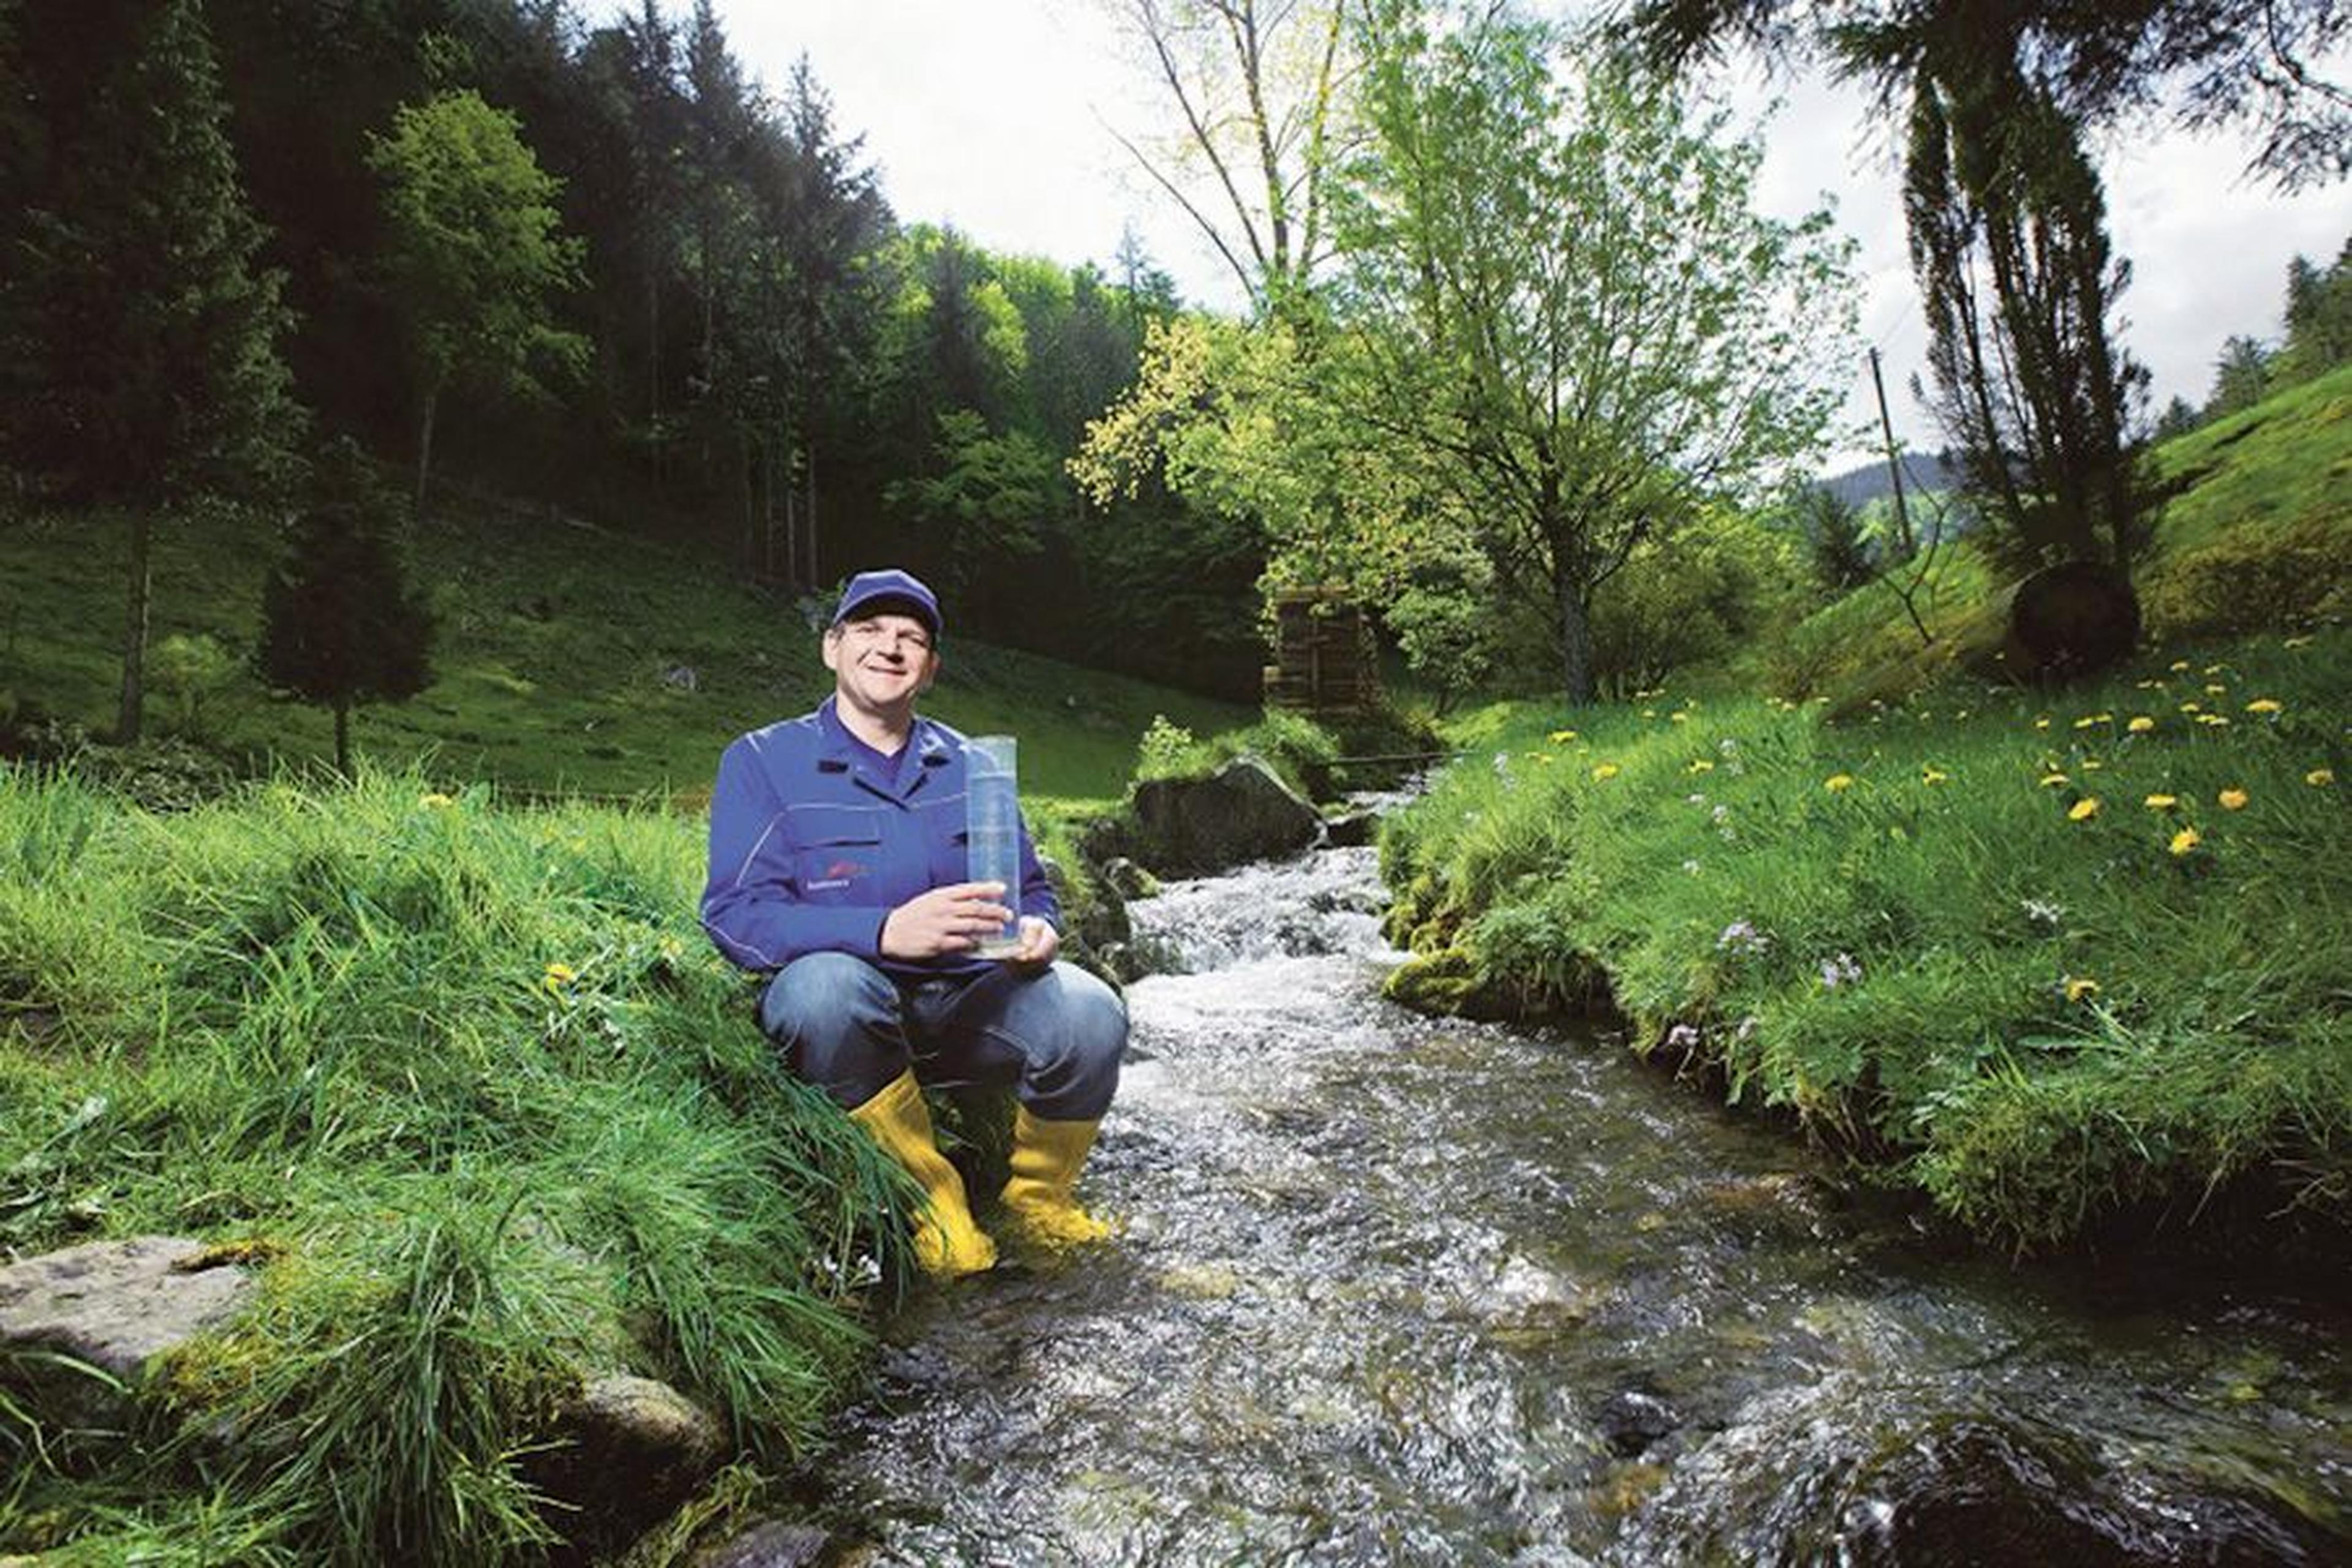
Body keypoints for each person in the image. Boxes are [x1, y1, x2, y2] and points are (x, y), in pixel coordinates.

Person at [701, 568, 1125, 1278]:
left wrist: (1040, 932)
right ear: (832, 648)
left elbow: (1030, 891)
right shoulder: (762, 760)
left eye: (911, 638)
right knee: (825, 990)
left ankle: (1039, 1206)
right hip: (845, 1025)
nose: (890, 648)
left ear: (929, 667)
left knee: (1091, 1010)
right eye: (869, 631)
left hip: (971, 1003)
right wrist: (883, 931)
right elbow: (736, 916)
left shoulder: (975, 764)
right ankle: (934, 1204)